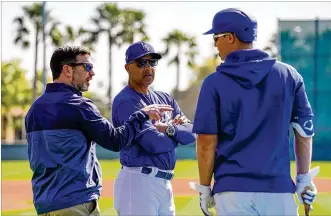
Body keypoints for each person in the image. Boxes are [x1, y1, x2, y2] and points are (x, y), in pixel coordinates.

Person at [189, 8, 320, 216]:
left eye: (216, 37)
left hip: (232, 192)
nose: (214, 44)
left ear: (230, 38)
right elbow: (304, 132)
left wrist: (205, 189)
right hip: (279, 192)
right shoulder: (289, 75)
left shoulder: (213, 83)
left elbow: (206, 142)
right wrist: (304, 178)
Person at [25, 45, 173, 216]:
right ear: (67, 70)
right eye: (87, 67)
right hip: (75, 203)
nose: (92, 73)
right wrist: (142, 115)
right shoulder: (79, 105)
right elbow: (115, 140)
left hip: (44, 204)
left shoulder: (34, 109)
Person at [112, 41, 196, 215]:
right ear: (128, 68)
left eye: (152, 62)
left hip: (164, 184)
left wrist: (169, 129)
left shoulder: (165, 98)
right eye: (141, 63)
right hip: (138, 182)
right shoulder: (126, 102)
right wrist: (176, 131)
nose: (148, 67)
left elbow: (191, 134)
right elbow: (154, 144)